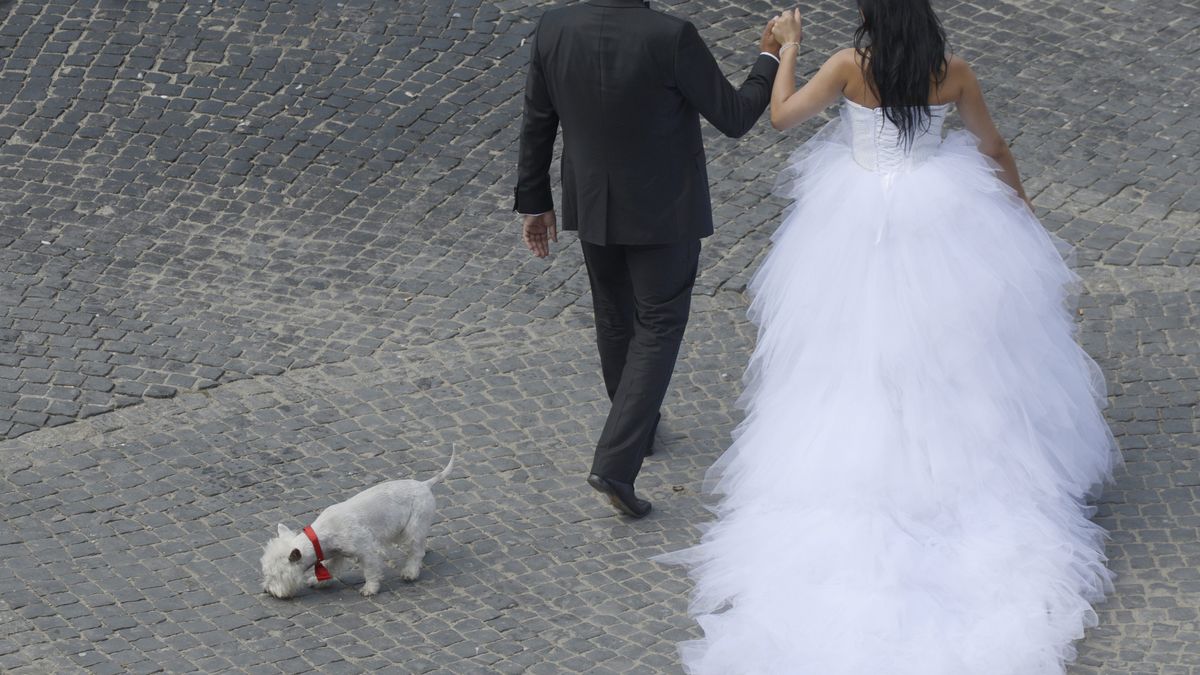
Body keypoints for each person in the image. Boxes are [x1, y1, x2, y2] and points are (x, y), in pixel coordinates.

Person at [659, 2, 1121, 672]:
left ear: (872, 22)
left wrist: (787, 46)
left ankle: (866, 460)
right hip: (946, 220)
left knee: (849, 354)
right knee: (959, 356)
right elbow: (992, 147)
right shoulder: (952, 72)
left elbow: (784, 115)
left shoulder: (850, 67)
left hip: (855, 222)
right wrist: (1021, 212)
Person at [514, 1, 781, 518]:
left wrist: (534, 200)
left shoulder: (554, 27)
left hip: (593, 203)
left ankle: (638, 431)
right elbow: (734, 115)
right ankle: (617, 460)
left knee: (615, 318)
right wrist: (768, 56)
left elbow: (537, 119)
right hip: (663, 214)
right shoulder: (671, 36)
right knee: (658, 325)